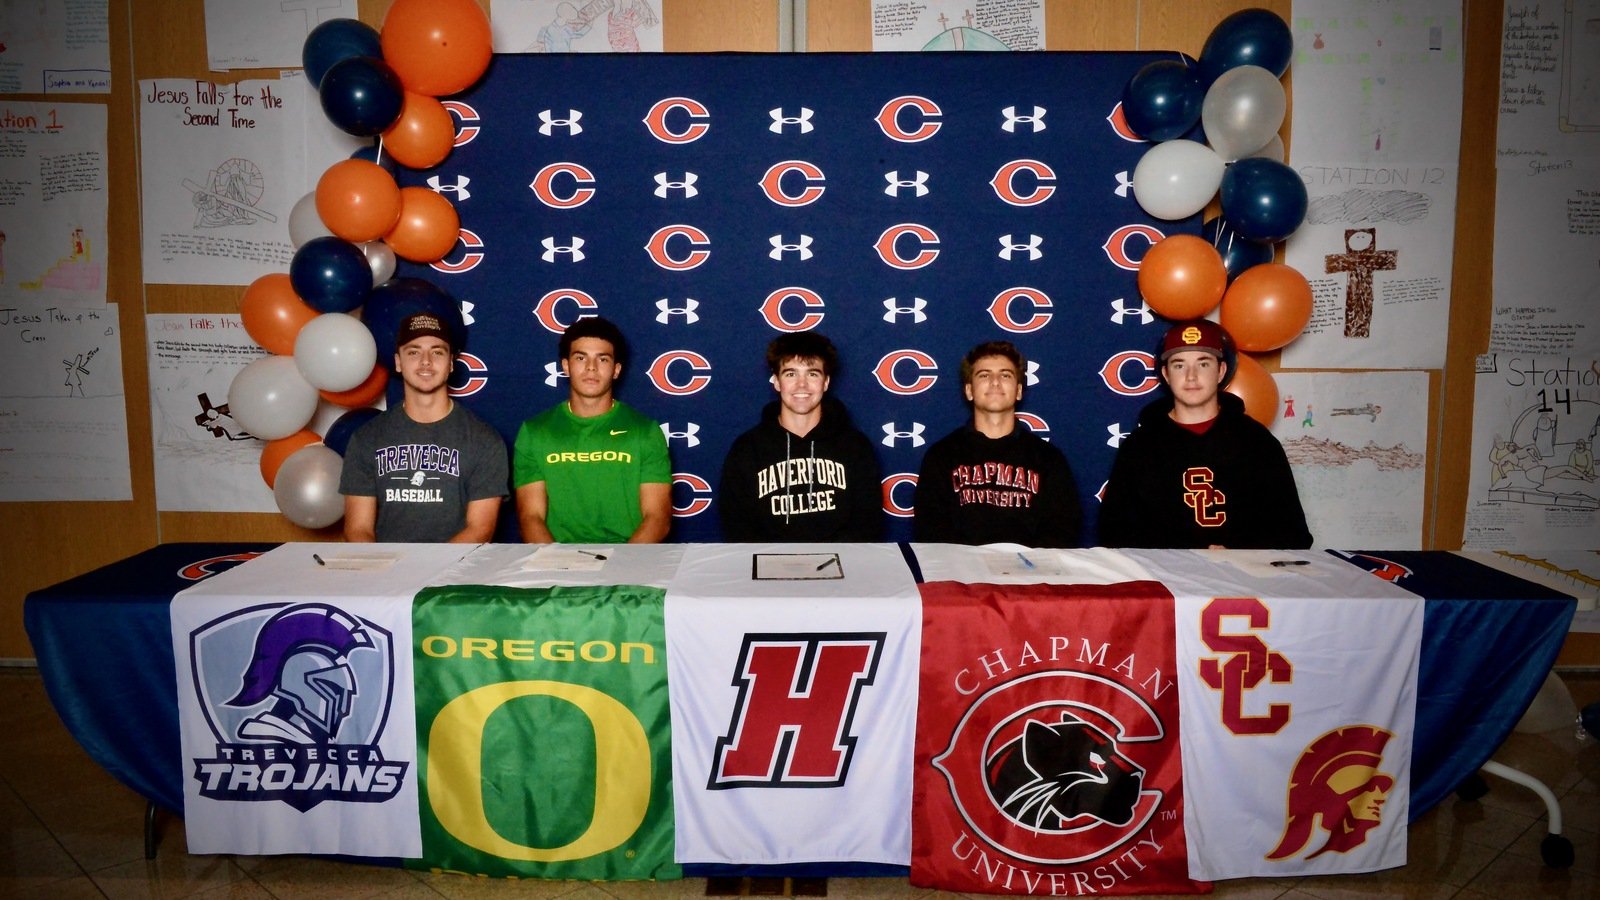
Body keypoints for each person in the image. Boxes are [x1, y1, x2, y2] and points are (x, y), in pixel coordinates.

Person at [1098, 319, 1311, 549]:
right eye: (1179, 365)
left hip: (1244, 569)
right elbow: (1113, 532)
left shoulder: (1257, 442)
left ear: (1221, 371)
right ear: (1166, 374)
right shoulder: (1139, 446)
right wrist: (1187, 553)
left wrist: (1235, 551)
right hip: (1167, 569)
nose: (1191, 376)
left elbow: (1294, 533)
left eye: (1203, 364)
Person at [339, 311, 508, 543]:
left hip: (455, 566)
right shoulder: (366, 438)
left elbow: (480, 530)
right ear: (398, 362)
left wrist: (428, 566)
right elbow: (358, 529)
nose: (426, 361)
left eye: (437, 352)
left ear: (451, 363)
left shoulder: (484, 441)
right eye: (414, 352)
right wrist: (385, 566)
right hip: (387, 564)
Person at [513, 316, 671, 543]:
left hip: (628, 559)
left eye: (603, 359)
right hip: (556, 560)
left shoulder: (645, 432)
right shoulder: (535, 432)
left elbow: (657, 518)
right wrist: (556, 562)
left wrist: (622, 562)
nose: (591, 367)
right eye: (580, 358)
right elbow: (530, 517)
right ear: (565, 366)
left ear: (616, 370)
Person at [913, 341, 1081, 547]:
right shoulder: (941, 456)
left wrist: (1024, 562)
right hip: (960, 566)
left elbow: (1063, 528)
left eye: (1005, 375)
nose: (995, 382)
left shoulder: (1048, 459)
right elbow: (930, 528)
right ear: (969, 390)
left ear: (1019, 391)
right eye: (984, 375)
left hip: (1030, 567)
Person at [718, 332, 883, 542]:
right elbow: (737, 525)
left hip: (840, 560)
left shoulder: (855, 447)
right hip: (768, 560)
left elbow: (867, 523)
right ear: (776, 381)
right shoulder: (747, 449)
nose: (801, 385)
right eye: (791, 374)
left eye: (812, 374)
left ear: (826, 382)